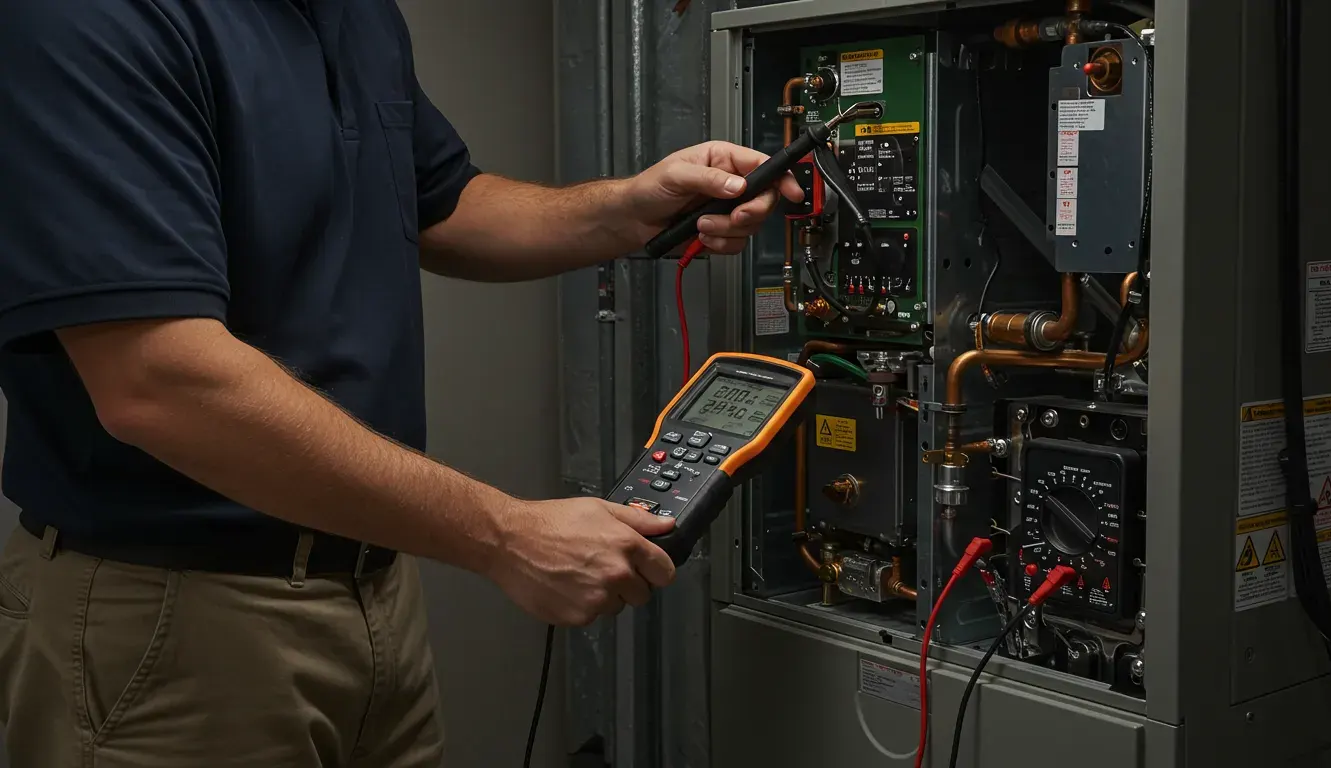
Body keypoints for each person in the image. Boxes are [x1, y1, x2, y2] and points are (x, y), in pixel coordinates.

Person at [0, 0, 803, 765]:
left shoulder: (350, 13)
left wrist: (627, 208)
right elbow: (157, 380)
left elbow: (442, 200)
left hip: (375, 593)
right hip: (176, 613)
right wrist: (503, 534)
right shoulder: (86, 19)